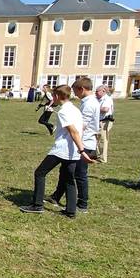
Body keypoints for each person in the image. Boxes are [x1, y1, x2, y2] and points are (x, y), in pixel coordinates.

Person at [19, 85, 93, 217]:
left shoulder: (64, 111)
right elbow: (82, 127)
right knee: (68, 179)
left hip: (62, 150)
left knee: (40, 173)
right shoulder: (75, 109)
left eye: (54, 96)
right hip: (72, 151)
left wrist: (82, 151)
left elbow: (74, 131)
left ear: (58, 96)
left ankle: (37, 205)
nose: (53, 98)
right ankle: (71, 211)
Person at [48, 77, 99, 213]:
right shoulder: (87, 102)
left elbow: (82, 125)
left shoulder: (89, 104)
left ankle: (82, 204)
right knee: (67, 171)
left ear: (81, 89)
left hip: (83, 142)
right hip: (80, 141)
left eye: (76, 91)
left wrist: (68, 130)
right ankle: (56, 196)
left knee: (79, 174)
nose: (74, 94)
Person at [96, 84, 115, 163]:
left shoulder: (107, 99)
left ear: (103, 91)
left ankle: (102, 158)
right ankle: (96, 155)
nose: (96, 93)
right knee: (97, 139)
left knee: (103, 140)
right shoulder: (99, 99)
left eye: (97, 91)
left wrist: (95, 108)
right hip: (99, 121)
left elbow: (105, 109)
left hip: (104, 121)